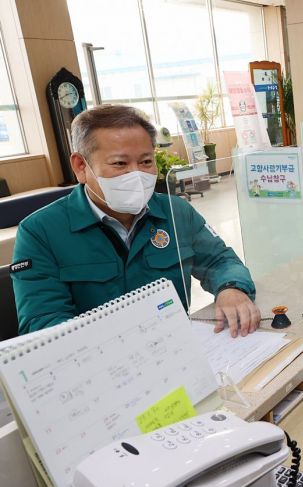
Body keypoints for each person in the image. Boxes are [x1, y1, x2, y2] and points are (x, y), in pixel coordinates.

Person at [11, 105, 260, 337]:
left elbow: (220, 260)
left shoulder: (176, 212)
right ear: (80, 166)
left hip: (176, 346)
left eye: (146, 161)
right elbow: (43, 323)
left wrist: (231, 288)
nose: (137, 174)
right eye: (120, 163)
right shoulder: (40, 232)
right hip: (98, 364)